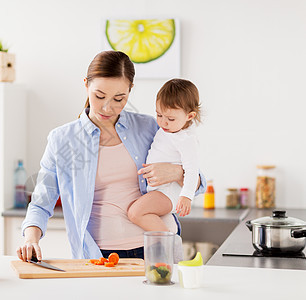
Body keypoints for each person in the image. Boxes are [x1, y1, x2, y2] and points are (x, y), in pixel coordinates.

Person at [17, 51, 206, 262]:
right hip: (99, 255)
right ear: (86, 86)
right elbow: (41, 201)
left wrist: (175, 172)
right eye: (99, 96)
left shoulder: (150, 127)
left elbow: (198, 184)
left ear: (130, 91)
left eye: (119, 98)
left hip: (156, 247)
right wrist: (30, 238)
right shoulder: (63, 140)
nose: (108, 107)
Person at [127, 79, 201, 232]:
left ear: (189, 116)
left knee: (135, 213)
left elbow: (192, 170)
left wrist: (187, 196)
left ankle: (170, 245)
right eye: (159, 115)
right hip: (158, 190)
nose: (163, 123)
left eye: (170, 119)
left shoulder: (186, 140)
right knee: (139, 213)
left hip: (168, 193)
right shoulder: (166, 131)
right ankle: (168, 241)